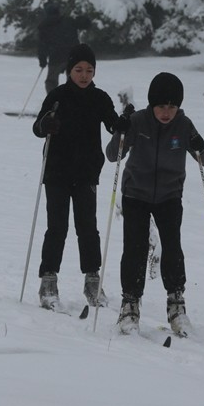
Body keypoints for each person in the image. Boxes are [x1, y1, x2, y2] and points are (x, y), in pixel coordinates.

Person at [106, 72, 204, 336]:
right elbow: (112, 155)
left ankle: (176, 303)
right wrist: (120, 131)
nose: (167, 112)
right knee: (135, 248)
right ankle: (130, 304)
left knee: (172, 248)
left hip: (169, 195)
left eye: (172, 107)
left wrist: (201, 147)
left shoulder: (183, 125)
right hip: (136, 194)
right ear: (152, 104)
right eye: (161, 106)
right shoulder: (138, 121)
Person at [31, 44, 121, 309]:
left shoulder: (100, 98)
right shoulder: (57, 96)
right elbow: (37, 127)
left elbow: (113, 124)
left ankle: (92, 280)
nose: (84, 75)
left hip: (86, 173)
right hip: (57, 172)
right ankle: (48, 281)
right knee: (57, 227)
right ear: (69, 70)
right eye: (79, 70)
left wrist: (124, 123)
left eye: (89, 70)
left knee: (87, 227)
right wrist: (46, 124)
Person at [37, 0, 92, 93]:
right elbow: (85, 24)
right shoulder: (69, 21)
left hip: (55, 57)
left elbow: (42, 46)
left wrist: (42, 60)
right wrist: (84, 18)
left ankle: (53, 99)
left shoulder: (44, 26)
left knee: (51, 81)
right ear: (58, 11)